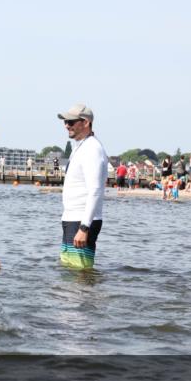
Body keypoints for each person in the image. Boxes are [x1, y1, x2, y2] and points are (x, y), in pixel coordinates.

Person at [58, 103, 108, 269]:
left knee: (80, 273)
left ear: (85, 122)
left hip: (82, 221)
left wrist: (84, 227)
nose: (67, 125)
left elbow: (95, 190)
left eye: (71, 122)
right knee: (69, 270)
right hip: (72, 218)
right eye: (66, 122)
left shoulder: (92, 149)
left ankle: (86, 296)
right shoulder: (81, 146)